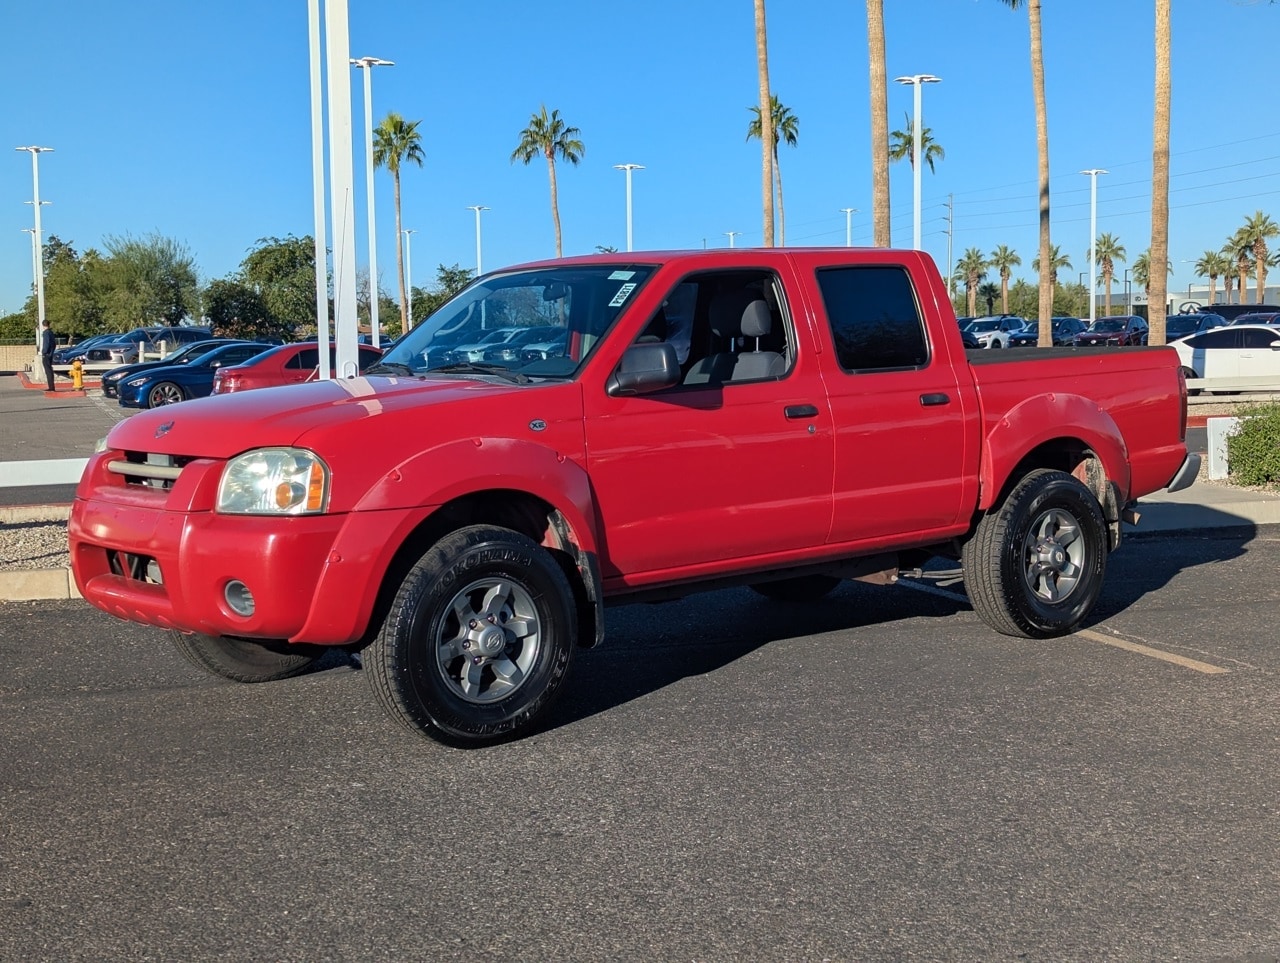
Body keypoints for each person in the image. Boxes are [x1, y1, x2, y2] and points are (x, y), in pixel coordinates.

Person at [39, 320, 56, 392]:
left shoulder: (46, 333)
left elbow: (46, 343)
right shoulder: (51, 332)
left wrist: (44, 352)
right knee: (50, 370)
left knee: (48, 371)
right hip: (51, 354)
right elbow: (54, 344)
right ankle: (52, 386)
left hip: (46, 355)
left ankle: (51, 387)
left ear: (43, 325)